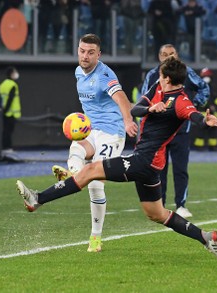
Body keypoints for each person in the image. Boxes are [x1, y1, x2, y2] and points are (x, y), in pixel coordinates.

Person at [16, 57, 217, 259]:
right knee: (156, 214)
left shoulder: (180, 100)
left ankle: (38, 199)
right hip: (150, 165)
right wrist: (151, 108)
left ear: (167, 79)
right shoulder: (158, 89)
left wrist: (205, 121)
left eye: (160, 76)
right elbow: (136, 109)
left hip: (144, 161)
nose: (158, 79)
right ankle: (205, 237)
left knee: (90, 171)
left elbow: (193, 115)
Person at [52, 34, 138, 253]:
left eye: (91, 52)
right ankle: (74, 175)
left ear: (98, 55)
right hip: (92, 130)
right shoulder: (78, 72)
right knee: (76, 148)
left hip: (112, 133)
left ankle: (95, 238)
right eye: (82, 51)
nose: (85, 56)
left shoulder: (104, 74)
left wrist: (128, 121)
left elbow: (120, 97)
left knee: (96, 185)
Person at [141, 44, 209, 218]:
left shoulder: (186, 72)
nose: (168, 57)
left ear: (177, 56)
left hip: (181, 130)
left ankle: (181, 205)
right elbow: (142, 102)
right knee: (158, 169)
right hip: (159, 132)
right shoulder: (152, 75)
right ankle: (160, 206)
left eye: (171, 54)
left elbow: (204, 88)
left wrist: (193, 105)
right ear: (159, 57)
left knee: (180, 169)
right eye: (164, 54)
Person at [193, 67, 217, 151]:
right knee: (201, 131)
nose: (206, 78)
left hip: (213, 113)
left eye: (207, 76)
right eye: (204, 76)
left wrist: (214, 105)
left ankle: (213, 146)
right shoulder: (199, 88)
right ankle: (199, 147)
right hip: (202, 113)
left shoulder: (213, 87)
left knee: (213, 131)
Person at [0, 66, 22, 154]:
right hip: (10, 113)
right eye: (14, 72)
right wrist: (6, 110)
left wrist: (1, 110)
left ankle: (4, 147)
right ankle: (7, 147)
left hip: (4, 112)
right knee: (8, 131)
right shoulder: (13, 85)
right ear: (11, 74)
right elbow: (10, 99)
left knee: (5, 130)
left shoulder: (2, 85)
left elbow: (0, 99)